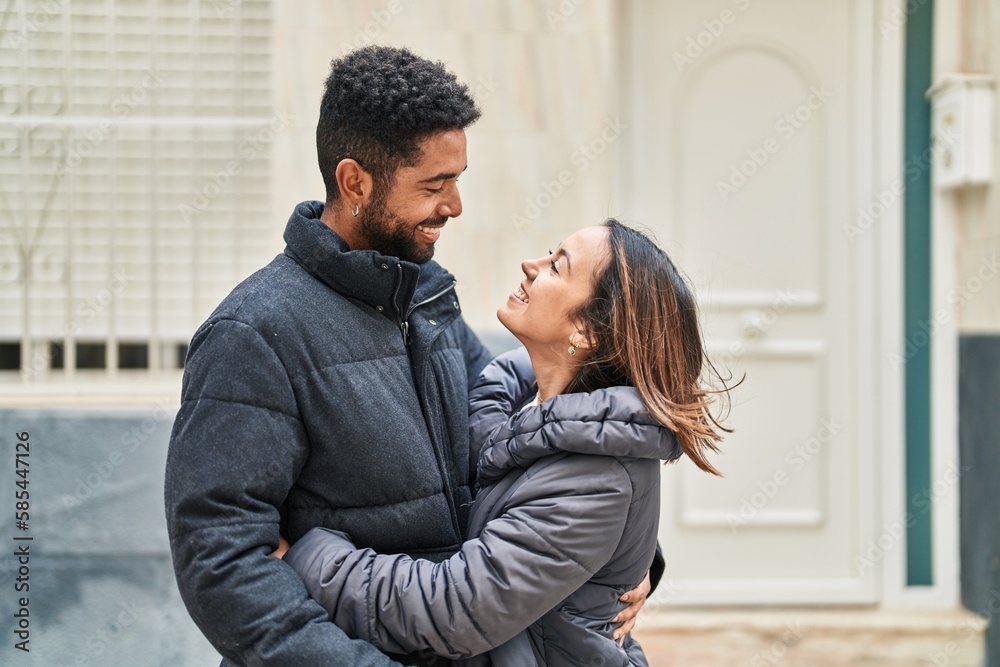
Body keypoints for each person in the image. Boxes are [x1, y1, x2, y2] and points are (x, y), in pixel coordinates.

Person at [164, 46, 653, 667]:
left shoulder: (426, 295)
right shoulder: (253, 334)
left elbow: (530, 451)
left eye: (457, 180)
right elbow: (222, 564)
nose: (453, 205)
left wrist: (621, 561)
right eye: (433, 185)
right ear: (354, 182)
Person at [280, 220, 731, 667]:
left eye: (557, 267)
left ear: (587, 332)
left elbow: (453, 612)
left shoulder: (597, 477)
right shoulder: (521, 405)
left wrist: (307, 556)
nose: (531, 265)